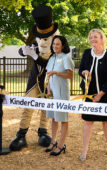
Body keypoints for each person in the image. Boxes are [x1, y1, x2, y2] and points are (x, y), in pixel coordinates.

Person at [10, 5, 59, 151]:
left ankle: (43, 132)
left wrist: (34, 56)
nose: (43, 41)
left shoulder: (58, 46)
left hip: (49, 81)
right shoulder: (37, 42)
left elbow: (48, 63)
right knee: (28, 104)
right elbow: (23, 50)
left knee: (45, 106)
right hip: (34, 80)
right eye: (41, 37)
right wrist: (24, 51)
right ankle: (21, 134)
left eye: (46, 38)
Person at [78, 29, 107, 161]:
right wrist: (84, 72)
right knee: (88, 121)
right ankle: (85, 149)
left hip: (105, 95)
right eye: (90, 37)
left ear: (101, 39)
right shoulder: (87, 53)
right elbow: (81, 70)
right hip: (89, 94)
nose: (92, 39)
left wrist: (101, 94)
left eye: (95, 37)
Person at [45, 35, 74, 156]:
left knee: (63, 119)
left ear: (62, 45)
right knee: (53, 117)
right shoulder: (51, 58)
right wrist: (48, 90)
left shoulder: (66, 58)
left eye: (57, 44)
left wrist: (57, 73)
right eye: (53, 44)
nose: (55, 46)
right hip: (52, 93)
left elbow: (70, 76)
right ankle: (53, 141)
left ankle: (61, 145)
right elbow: (48, 75)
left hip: (62, 93)